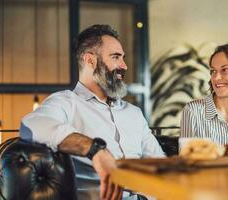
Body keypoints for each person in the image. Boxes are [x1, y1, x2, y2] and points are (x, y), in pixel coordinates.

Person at [20, 24, 165, 200]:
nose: (124, 66)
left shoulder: (133, 112)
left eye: (123, 58)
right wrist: (95, 150)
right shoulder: (67, 102)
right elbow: (32, 125)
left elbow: (160, 163)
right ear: (90, 60)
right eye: (116, 57)